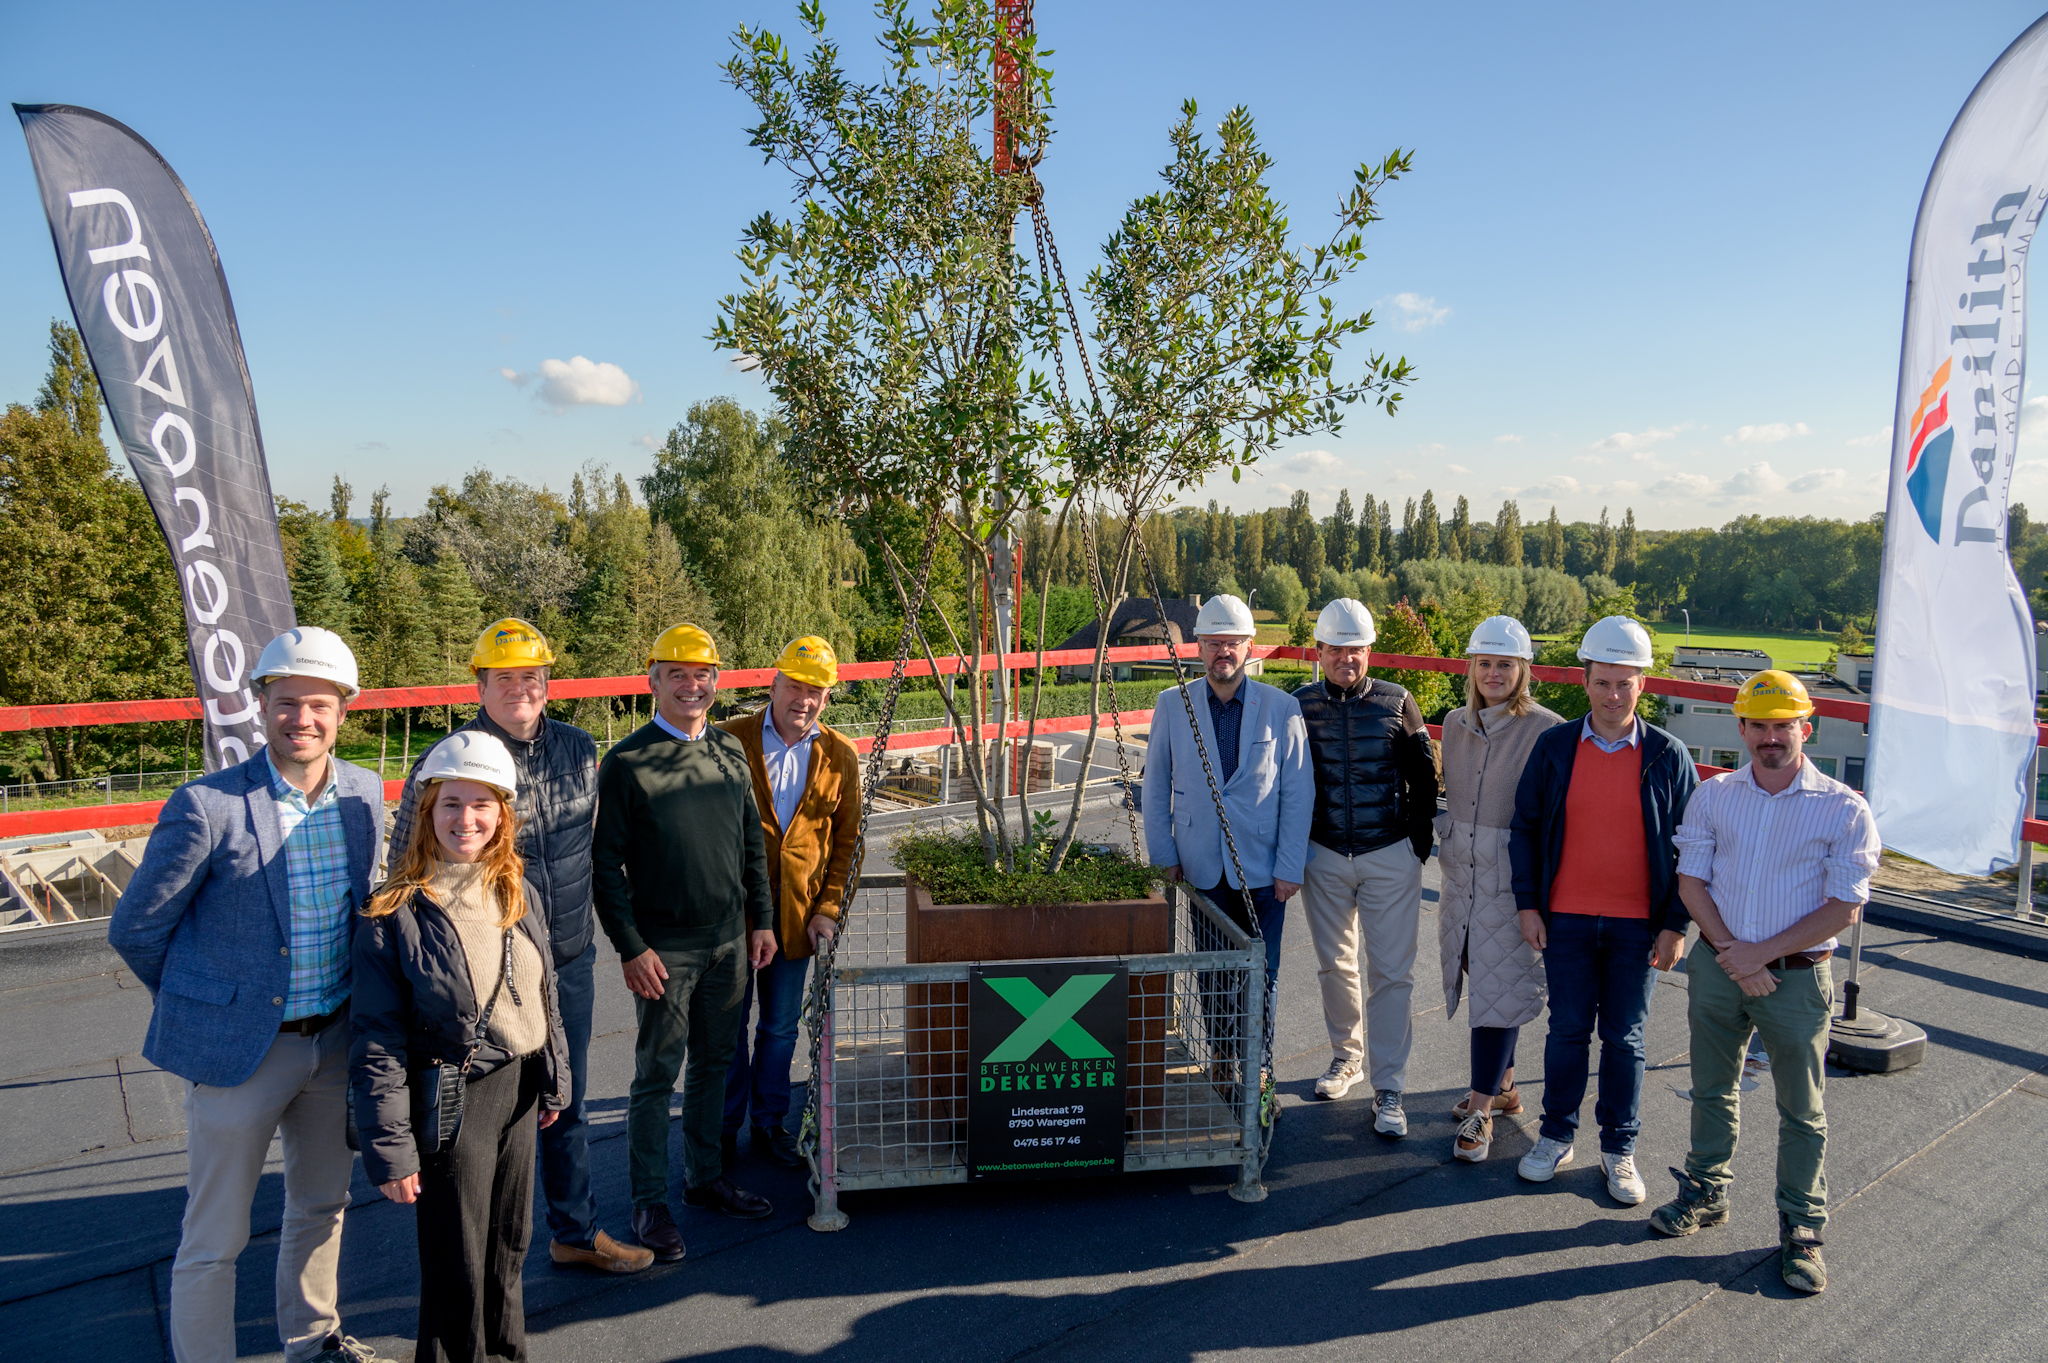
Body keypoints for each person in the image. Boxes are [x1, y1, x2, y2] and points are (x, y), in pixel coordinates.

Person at [107, 627, 388, 1363]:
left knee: (322, 1205)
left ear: (343, 711)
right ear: (261, 704)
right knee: (215, 1236)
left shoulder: (363, 793)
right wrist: (208, 1010)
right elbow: (138, 928)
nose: (303, 718)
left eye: (319, 704)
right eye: (287, 701)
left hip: (333, 1044)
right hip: (240, 1056)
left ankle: (313, 1340)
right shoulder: (208, 805)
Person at [387, 618, 651, 1275]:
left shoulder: (578, 748)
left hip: (566, 957)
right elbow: (405, 860)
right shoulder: (449, 759)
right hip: (482, 973)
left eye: (531, 676)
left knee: (568, 1100)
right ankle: (475, 1255)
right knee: (478, 1118)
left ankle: (575, 1230)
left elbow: (598, 848)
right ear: (480, 684)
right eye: (505, 678)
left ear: (547, 681)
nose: (520, 689)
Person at [1651, 670, 1880, 1295]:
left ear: (1808, 727)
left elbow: (1844, 907)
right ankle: (1705, 1191)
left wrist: (1760, 956)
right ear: (1742, 728)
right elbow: (1691, 880)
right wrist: (1733, 953)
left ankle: (1803, 1230)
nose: (1771, 738)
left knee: (1802, 1109)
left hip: (1799, 979)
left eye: (1785, 725)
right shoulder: (1715, 796)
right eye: (1760, 725)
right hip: (1721, 968)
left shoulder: (1842, 807)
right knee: (1711, 1088)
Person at [351, 733, 571, 1362]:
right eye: (451, 803)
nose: (465, 819)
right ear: (427, 811)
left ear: (503, 813)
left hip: (521, 1089)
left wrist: (553, 1077)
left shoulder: (515, 890)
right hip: (456, 1094)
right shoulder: (393, 910)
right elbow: (378, 1039)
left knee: (508, 1242)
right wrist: (392, 1149)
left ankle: (505, 1354)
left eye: (481, 804)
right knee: (458, 1254)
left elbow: (543, 992)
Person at [594, 623, 779, 1263]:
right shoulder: (626, 762)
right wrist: (630, 946)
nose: (691, 684)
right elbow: (605, 867)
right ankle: (649, 1200)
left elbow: (752, 845)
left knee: (715, 1064)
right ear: (652, 680)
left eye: (701, 674)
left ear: (716, 682)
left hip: (731, 942)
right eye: (677, 673)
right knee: (655, 1076)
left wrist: (762, 920)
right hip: (664, 950)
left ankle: (704, 1179)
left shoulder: (729, 752)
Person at [1510, 615, 1699, 1204]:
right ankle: (1555, 1136)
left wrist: (1675, 924)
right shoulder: (1555, 747)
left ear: (1643, 684)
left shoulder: (1668, 756)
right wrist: (1528, 906)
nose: (1613, 695)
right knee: (1567, 1030)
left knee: (1625, 1038)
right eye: (1603, 682)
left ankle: (1619, 1150)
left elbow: (1693, 846)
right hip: (1564, 918)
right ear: (1584, 680)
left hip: (1634, 928)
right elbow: (1526, 828)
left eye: (1625, 683)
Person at [1142, 593, 1312, 1088]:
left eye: (1232, 643)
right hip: (1201, 868)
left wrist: (1289, 866)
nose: (1223, 652)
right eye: (1214, 643)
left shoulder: (1282, 709)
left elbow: (1299, 792)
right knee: (1213, 974)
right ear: (1198, 647)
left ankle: (1257, 1064)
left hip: (1263, 873)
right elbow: (1155, 787)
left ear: (1249, 647)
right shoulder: (1172, 705)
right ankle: (1222, 1059)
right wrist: (1165, 855)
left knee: (1262, 974)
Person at [1292, 598, 1438, 1138]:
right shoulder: (1299, 704)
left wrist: (1417, 844)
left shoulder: (1400, 702)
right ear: (1320, 652)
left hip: (1388, 851)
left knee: (1393, 974)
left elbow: (1425, 778)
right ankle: (1345, 1059)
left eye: (1354, 650)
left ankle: (1390, 1086)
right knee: (1334, 964)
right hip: (1324, 853)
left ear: (1368, 651)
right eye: (1335, 649)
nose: (1345, 659)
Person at [718, 636, 862, 1168]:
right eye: (796, 686)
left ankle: (769, 1123)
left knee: (778, 1028)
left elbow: (848, 842)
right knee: (727, 1030)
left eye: (816, 691)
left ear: (827, 698)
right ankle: (724, 1125)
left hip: (799, 916)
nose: (804, 699)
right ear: (773, 684)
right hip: (733, 916)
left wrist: (828, 909)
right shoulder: (728, 740)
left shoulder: (838, 755)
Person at [1435, 616, 1563, 1162]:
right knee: (1477, 973)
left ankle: (1482, 1112)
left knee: (1498, 988)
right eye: (1484, 663)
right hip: (1461, 877)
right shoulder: (1454, 724)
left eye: (1504, 664)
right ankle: (1505, 1088)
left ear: (1523, 670)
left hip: (1513, 880)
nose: (1493, 673)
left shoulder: (1548, 731)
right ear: (1471, 667)